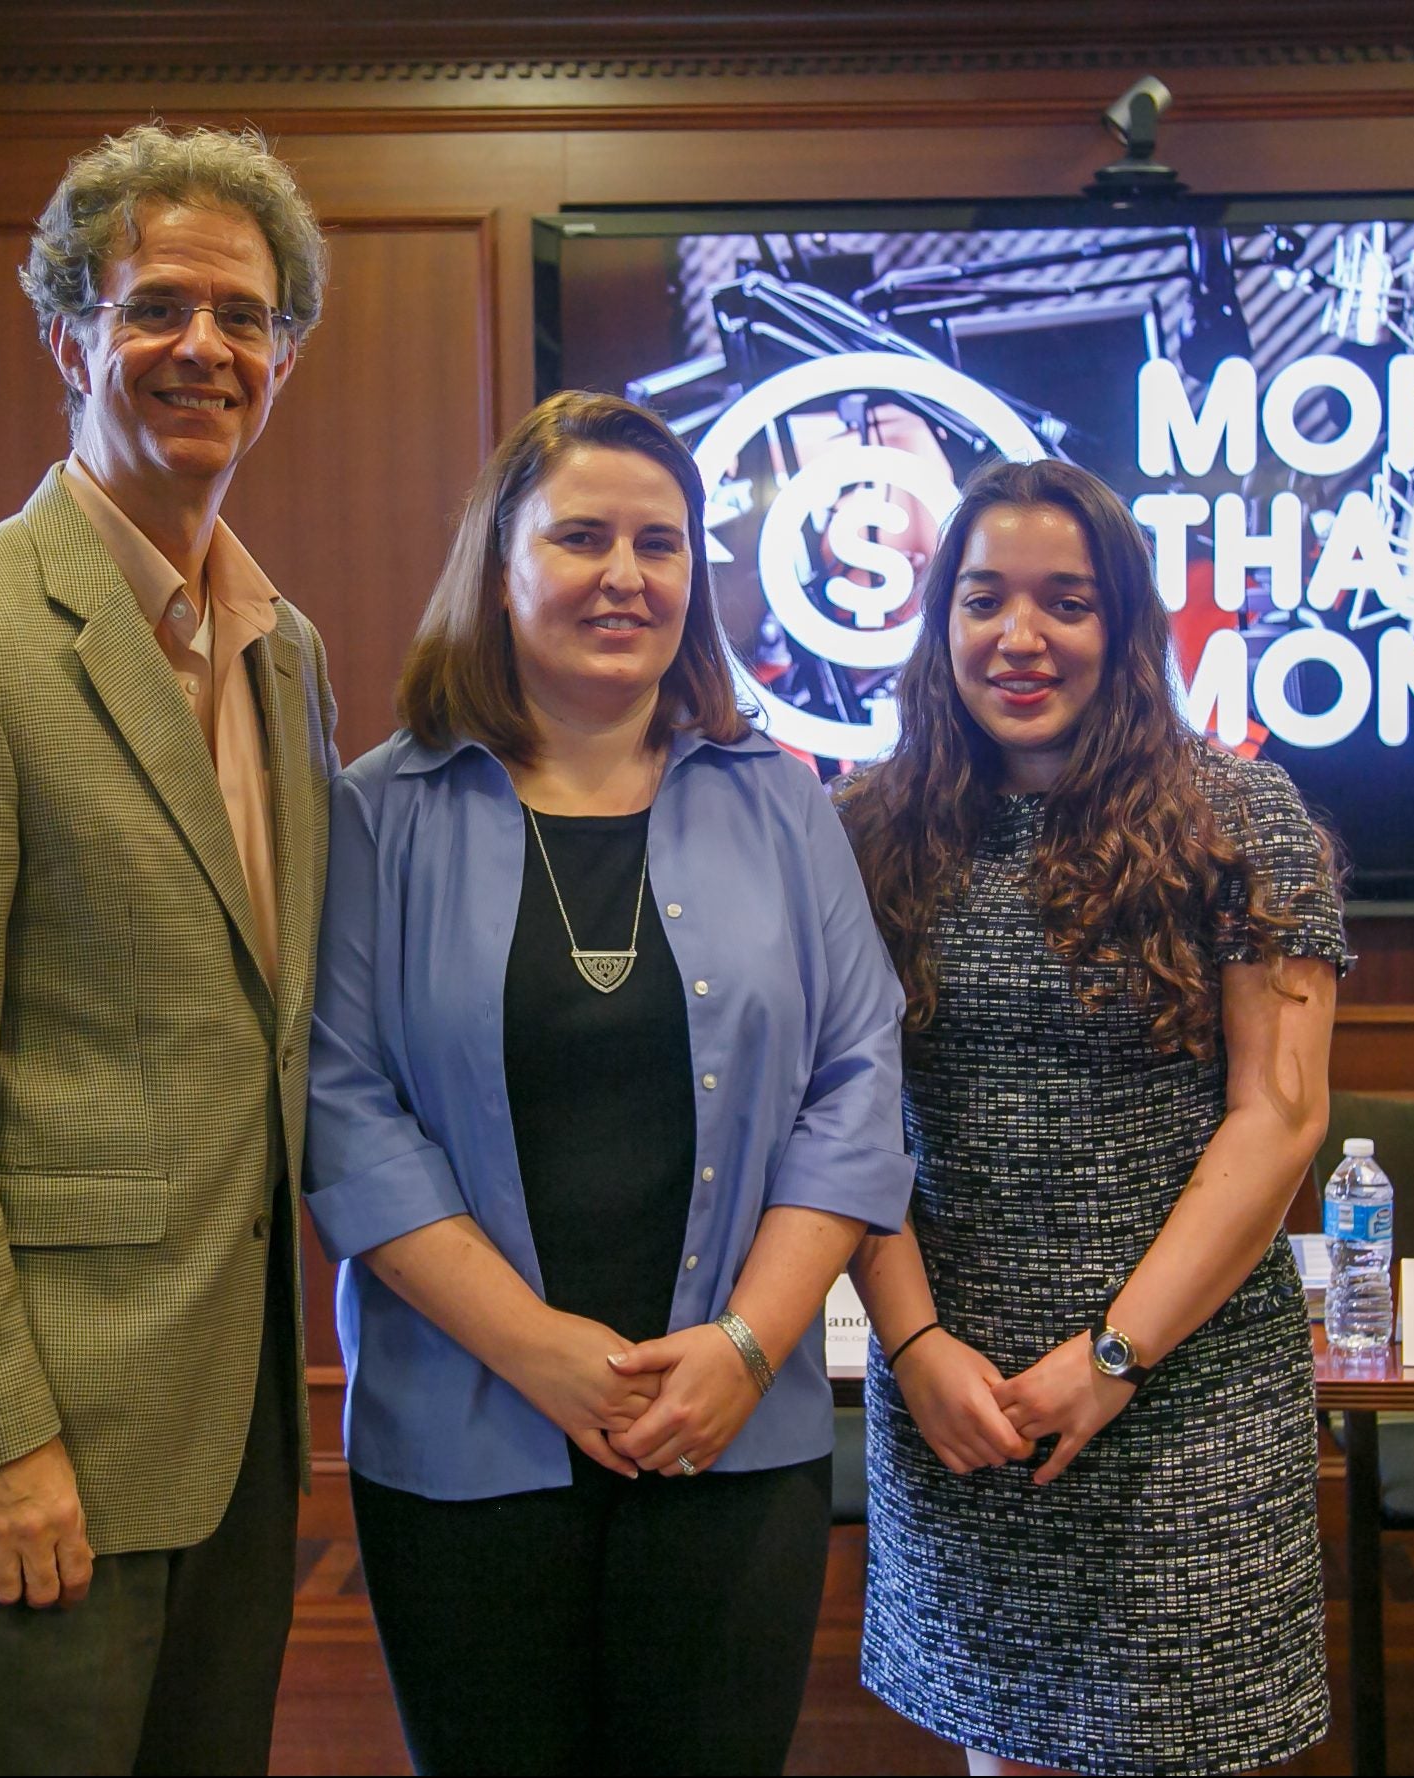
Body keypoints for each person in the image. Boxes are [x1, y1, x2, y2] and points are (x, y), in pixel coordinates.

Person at [0, 124, 337, 1775]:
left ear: (285, 358)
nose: (203, 348)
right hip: (31, 1453)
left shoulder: (283, 648)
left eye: (243, 318)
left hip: (231, 1443)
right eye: (156, 303)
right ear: (67, 336)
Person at [305, 389, 910, 1774]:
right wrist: (536, 1349)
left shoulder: (780, 800)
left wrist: (750, 1346)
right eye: (582, 535)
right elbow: (343, 1105)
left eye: (663, 541)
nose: (627, 575)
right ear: (498, 561)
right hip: (464, 1432)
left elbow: (855, 1086)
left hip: (729, 1434)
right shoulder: (377, 810)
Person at [838, 457, 1346, 1776]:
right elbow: (835, 1117)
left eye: (1064, 601)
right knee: (1005, 1752)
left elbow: (1280, 1115)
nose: (1018, 636)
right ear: (937, 616)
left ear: (1123, 627)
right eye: (982, 597)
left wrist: (1112, 1357)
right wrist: (914, 1345)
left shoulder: (1242, 815)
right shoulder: (866, 826)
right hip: (961, 1397)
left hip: (1180, 1386)